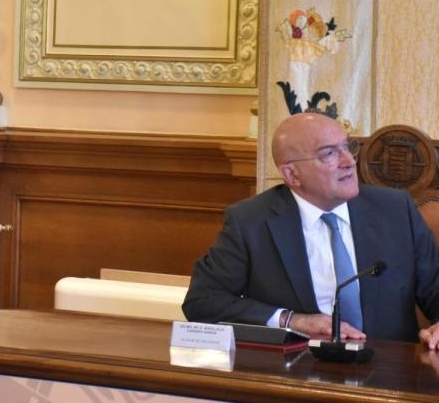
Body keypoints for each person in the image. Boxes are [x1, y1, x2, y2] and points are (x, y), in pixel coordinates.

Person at [183, 112, 439, 348]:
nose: (349, 161)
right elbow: (202, 301)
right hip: (299, 371)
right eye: (329, 153)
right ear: (292, 174)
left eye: (348, 147)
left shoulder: (394, 209)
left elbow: (435, 286)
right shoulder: (251, 221)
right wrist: (292, 320)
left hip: (392, 373)